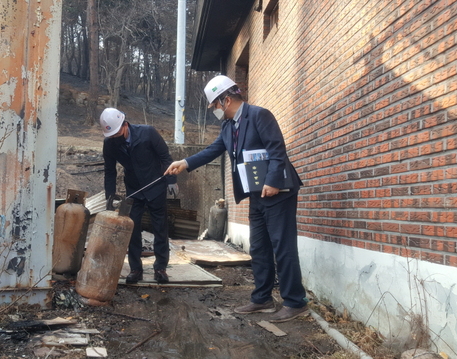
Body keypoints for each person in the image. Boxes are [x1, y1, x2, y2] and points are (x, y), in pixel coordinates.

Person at [164, 75, 308, 322]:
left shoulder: (260, 115)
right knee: (259, 248)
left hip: (279, 192)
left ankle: (295, 302)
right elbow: (213, 150)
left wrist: (273, 181)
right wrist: (185, 163)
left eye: (215, 106)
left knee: (282, 247)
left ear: (226, 99)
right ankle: (262, 298)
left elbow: (277, 149)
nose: (215, 111)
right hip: (256, 193)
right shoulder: (228, 126)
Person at [100, 107, 177, 284]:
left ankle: (160, 268)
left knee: (160, 228)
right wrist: (110, 195)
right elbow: (109, 171)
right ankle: (135, 269)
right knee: (132, 228)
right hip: (134, 189)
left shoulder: (148, 133)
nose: (114, 137)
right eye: (110, 135)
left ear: (124, 125)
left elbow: (166, 157)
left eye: (116, 133)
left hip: (156, 185)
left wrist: (172, 180)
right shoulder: (110, 144)